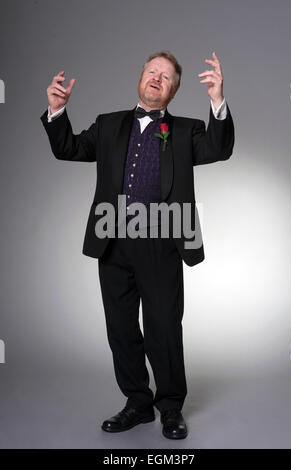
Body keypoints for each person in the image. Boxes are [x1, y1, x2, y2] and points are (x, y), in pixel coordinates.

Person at [40, 51, 235, 440]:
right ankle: (137, 404)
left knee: (163, 328)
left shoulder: (186, 131)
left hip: (162, 243)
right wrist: (57, 112)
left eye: (166, 77)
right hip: (112, 243)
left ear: (174, 90)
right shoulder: (109, 124)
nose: (157, 79)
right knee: (121, 329)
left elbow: (220, 148)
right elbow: (69, 149)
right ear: (141, 78)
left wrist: (217, 100)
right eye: (152, 72)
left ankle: (170, 408)